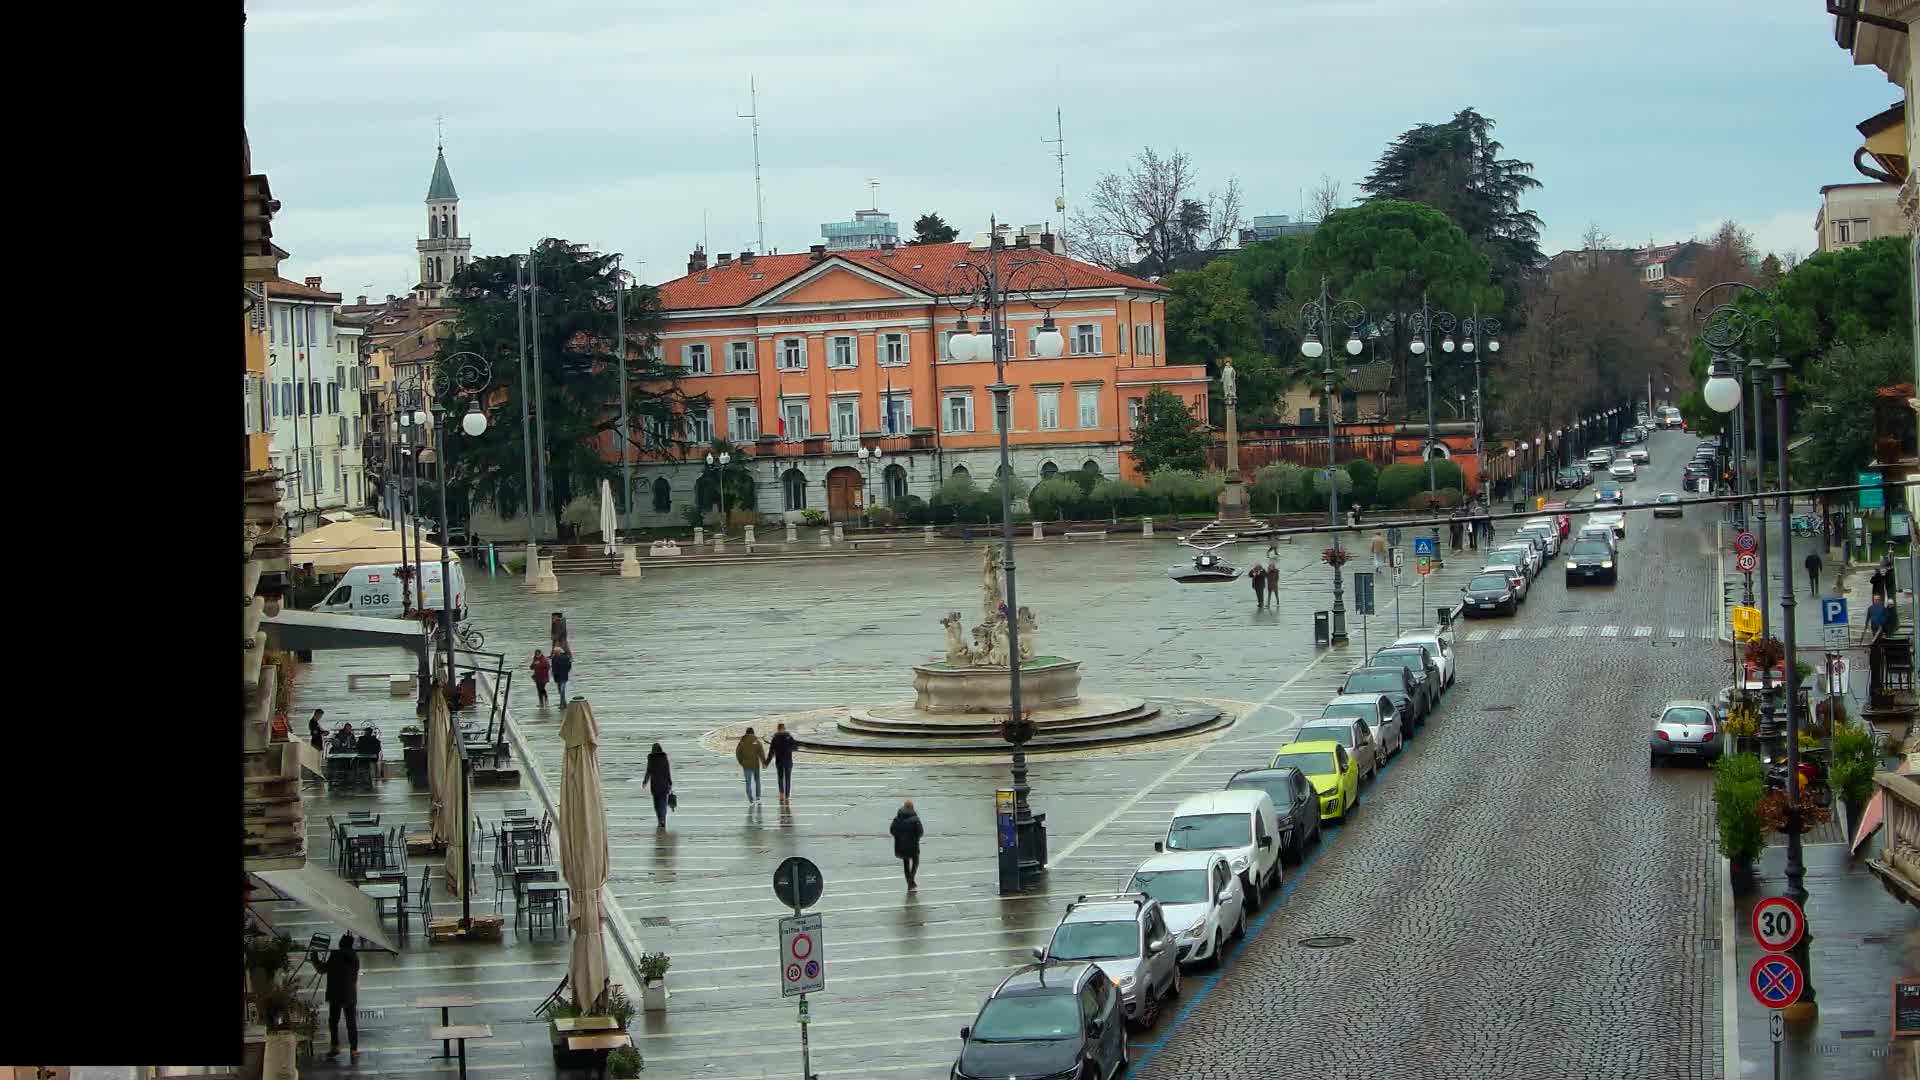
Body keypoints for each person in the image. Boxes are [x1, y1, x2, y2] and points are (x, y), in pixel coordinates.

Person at [318, 932, 361, 1060]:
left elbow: (322, 969)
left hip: (335, 994)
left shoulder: (335, 955)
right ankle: (353, 1049)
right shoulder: (354, 958)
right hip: (349, 995)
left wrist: (314, 958)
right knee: (351, 1023)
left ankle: (335, 1046)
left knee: (333, 1021)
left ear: (342, 943)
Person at [890, 799, 924, 891]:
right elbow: (920, 832)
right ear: (912, 807)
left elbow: (892, 830)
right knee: (915, 862)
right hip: (913, 845)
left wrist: (899, 836)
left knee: (906, 864)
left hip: (901, 845)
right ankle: (911, 880)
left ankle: (910, 882)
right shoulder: (915, 819)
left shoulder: (897, 819)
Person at [641, 742, 673, 828]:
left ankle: (660, 820)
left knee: (657, 804)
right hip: (664, 785)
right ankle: (663, 819)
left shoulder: (651, 758)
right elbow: (667, 771)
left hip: (655, 785)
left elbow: (649, 771)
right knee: (663, 803)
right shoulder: (664, 757)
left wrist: (645, 782)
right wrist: (670, 783)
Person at [735, 727, 768, 803]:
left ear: (746, 733)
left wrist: (742, 762)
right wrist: (764, 762)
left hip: (746, 765)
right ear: (753, 733)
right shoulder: (757, 741)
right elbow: (761, 753)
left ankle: (750, 799)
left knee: (748, 782)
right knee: (757, 780)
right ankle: (758, 796)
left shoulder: (742, 742)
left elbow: (738, 753)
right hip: (755, 764)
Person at [769, 723, 798, 803]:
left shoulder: (775, 738)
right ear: (784, 728)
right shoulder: (789, 737)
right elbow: (795, 748)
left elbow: (771, 751)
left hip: (779, 761)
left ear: (778, 729)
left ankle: (781, 794)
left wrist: (767, 762)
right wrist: (789, 748)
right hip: (788, 761)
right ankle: (787, 796)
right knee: (788, 779)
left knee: (780, 777)